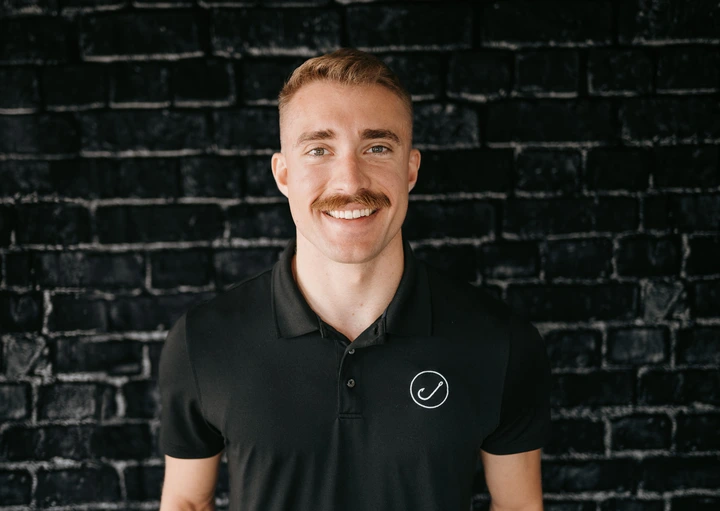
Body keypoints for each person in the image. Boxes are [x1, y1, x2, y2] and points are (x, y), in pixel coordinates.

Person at [158, 48, 551, 511]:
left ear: (410, 169)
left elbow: (518, 507)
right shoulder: (203, 340)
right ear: (283, 173)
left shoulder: (499, 341)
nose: (349, 181)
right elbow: (186, 502)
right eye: (319, 149)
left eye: (377, 147)